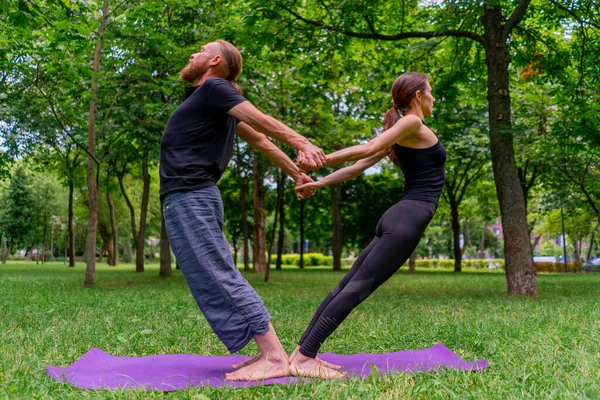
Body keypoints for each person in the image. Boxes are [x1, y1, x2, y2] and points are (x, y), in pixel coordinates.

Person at [159, 39, 326, 381]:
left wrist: (303, 143)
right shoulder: (209, 102)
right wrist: (297, 174)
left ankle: (275, 357)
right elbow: (262, 142)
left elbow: (261, 121)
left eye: (200, 51)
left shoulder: (214, 89)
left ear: (215, 60)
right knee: (209, 277)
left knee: (219, 274)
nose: (193, 54)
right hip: (187, 197)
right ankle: (266, 352)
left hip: (192, 196)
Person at [290, 72, 446, 378]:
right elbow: (365, 150)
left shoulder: (404, 131)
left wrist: (319, 184)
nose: (433, 98)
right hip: (408, 219)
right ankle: (305, 357)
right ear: (418, 96)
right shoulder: (412, 123)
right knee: (356, 289)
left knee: (347, 286)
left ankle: (301, 352)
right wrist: (319, 160)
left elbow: (357, 168)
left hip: (399, 215)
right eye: (430, 92)